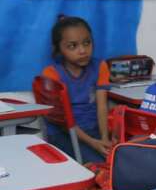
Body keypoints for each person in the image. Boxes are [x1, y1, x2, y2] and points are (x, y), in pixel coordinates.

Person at [41, 15, 111, 163]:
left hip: (93, 129)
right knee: (96, 164)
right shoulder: (51, 74)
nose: (83, 51)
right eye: (72, 46)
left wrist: (104, 138)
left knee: (115, 158)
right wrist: (93, 143)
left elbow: (102, 106)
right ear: (58, 49)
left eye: (87, 43)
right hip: (64, 133)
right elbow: (62, 121)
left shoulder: (100, 66)